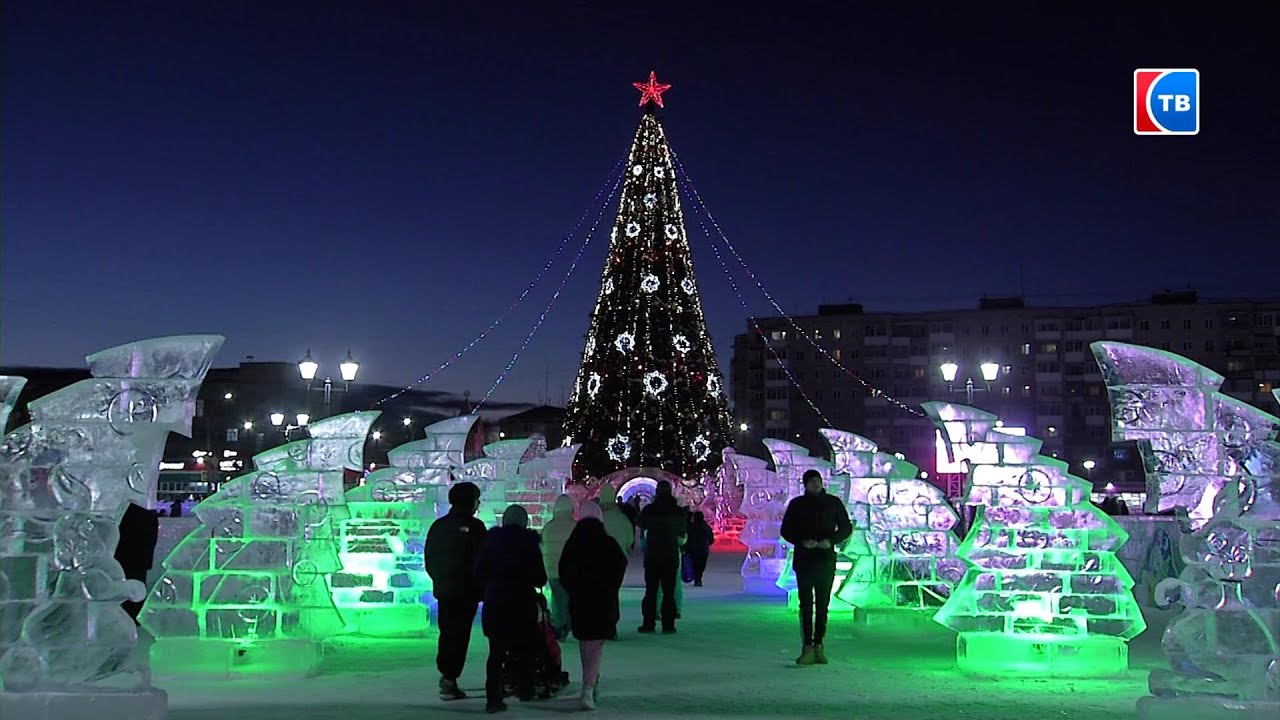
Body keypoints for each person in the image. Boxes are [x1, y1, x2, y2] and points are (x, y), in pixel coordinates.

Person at [474, 504, 547, 714]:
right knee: (525, 647)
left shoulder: (490, 543)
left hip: (496, 600)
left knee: (496, 651)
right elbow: (539, 577)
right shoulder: (530, 544)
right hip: (522, 601)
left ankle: (493, 697)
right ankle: (525, 687)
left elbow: (478, 573)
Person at [558, 501, 627, 710]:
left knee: (585, 642)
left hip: (580, 601)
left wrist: (574, 589)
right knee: (595, 644)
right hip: (603, 601)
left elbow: (564, 571)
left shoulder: (573, 543)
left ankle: (590, 683)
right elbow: (619, 568)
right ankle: (588, 686)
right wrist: (609, 588)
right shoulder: (608, 543)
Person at [780, 469, 853, 666]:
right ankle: (807, 646)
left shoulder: (833, 503)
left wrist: (831, 540)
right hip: (804, 561)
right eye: (811, 482)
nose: (815, 484)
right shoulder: (797, 504)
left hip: (826, 560)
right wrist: (802, 542)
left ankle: (819, 645)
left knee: (823, 605)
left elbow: (846, 527)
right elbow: (786, 530)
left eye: (818, 481)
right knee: (806, 605)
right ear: (805, 484)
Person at [425, 481, 487, 701]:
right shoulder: (476, 528)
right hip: (466, 591)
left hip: (446, 590)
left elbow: (430, 559)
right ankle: (450, 678)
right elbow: (482, 560)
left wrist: (440, 580)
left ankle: (447, 675)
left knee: (448, 632)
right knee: (459, 635)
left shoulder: (439, 526)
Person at [636, 480, 687, 633]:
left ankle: (648, 622)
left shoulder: (650, 510)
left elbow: (641, 523)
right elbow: (682, 531)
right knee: (669, 591)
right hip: (670, 555)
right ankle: (668, 624)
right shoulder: (677, 511)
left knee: (651, 591)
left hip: (652, 555)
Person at [115, 502, 159, 622]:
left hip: (127, 556)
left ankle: (127, 615)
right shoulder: (147, 513)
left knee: (125, 583)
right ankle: (134, 614)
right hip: (138, 558)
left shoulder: (127, 512)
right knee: (137, 584)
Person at [539, 495, 576, 638]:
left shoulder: (549, 527)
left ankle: (559, 624)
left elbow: (543, 546)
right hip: (570, 570)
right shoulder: (575, 526)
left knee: (557, 597)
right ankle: (568, 624)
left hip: (552, 569)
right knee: (570, 597)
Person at [596, 484, 635, 557]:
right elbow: (630, 536)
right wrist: (628, 546)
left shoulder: (596, 517)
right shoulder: (622, 517)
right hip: (620, 554)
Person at [684, 511, 715, 587]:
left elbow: (687, 538)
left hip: (693, 550)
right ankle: (698, 578)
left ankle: (696, 578)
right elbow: (711, 539)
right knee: (701, 565)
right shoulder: (706, 527)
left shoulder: (691, 527)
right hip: (703, 549)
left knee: (695, 564)